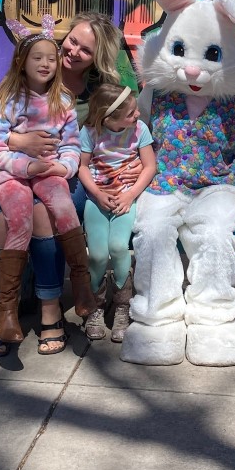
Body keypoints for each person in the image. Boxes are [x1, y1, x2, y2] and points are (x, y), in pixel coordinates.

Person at [0, 13, 137, 357]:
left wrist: (131, 166)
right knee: (8, 220)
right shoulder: (26, 73)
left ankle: (51, 307)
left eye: (86, 49)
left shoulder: (97, 93)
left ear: (97, 59)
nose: (73, 51)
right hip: (14, 171)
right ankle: (1, 310)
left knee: (46, 216)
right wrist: (21, 143)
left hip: (60, 175)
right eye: (73, 40)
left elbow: (127, 134)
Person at [0, 27, 89, 349]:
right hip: (12, 176)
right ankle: (5, 310)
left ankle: (78, 287)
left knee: (63, 211)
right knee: (17, 221)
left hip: (49, 172)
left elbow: (71, 145)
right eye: (37, 58)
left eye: (50, 58)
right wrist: (25, 164)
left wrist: (63, 166)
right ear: (22, 62)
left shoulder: (63, 103)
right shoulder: (7, 101)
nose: (45, 64)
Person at [77, 83, 157, 342]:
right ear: (108, 117)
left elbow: (149, 166)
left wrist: (130, 195)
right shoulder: (90, 132)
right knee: (98, 254)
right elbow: (83, 167)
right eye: (131, 113)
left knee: (119, 247)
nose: (137, 115)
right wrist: (98, 194)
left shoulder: (140, 130)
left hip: (126, 198)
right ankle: (95, 307)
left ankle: (123, 305)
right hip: (98, 199)